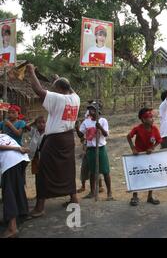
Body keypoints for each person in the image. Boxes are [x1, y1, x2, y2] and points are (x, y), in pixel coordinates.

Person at [26, 64, 80, 218]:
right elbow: (70, 89)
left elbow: (38, 90)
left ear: (60, 90)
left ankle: (40, 207)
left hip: (55, 140)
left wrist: (31, 72)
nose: (53, 91)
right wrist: (58, 80)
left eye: (55, 88)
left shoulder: (58, 98)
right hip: (68, 139)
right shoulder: (76, 98)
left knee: (44, 171)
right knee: (68, 170)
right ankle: (74, 199)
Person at [75, 102, 113, 200]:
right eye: (90, 109)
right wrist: (76, 128)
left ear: (98, 110)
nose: (90, 111)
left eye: (92, 109)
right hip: (91, 149)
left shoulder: (103, 121)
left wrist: (99, 127)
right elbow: (81, 135)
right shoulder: (86, 122)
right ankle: (92, 192)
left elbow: (105, 134)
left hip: (100, 148)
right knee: (92, 172)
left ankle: (109, 193)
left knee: (105, 171)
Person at [127, 108, 162, 206]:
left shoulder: (154, 129)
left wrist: (152, 148)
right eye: (150, 118)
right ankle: (135, 196)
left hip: (149, 156)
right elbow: (128, 136)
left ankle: (150, 196)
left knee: (151, 175)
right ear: (143, 120)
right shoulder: (137, 128)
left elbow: (159, 140)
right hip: (138, 157)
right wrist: (133, 148)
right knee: (137, 176)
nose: (152, 119)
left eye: (152, 117)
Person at [0, 134, 30, 238]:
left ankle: (12, 227)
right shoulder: (3, 135)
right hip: (21, 159)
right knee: (17, 188)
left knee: (8, 192)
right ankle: (22, 214)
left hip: (10, 162)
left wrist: (17, 148)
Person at [27, 116, 46, 193]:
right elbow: (26, 126)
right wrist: (33, 122)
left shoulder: (47, 132)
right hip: (35, 157)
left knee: (45, 175)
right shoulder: (34, 131)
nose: (41, 124)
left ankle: (45, 193)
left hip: (45, 157)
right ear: (36, 124)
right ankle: (39, 193)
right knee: (37, 175)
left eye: (43, 122)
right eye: (39, 122)